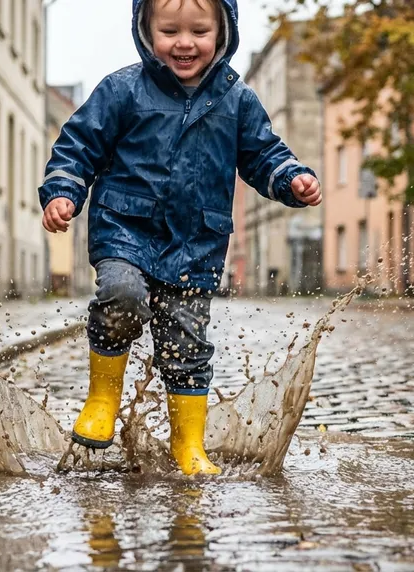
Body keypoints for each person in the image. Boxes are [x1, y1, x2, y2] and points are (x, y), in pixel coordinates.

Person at [38, 0, 322, 476]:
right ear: (146, 30)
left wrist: (290, 177)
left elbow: (263, 154)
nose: (184, 43)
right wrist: (64, 190)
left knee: (186, 342)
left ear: (223, 31)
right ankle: (102, 401)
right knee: (121, 295)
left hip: (196, 243)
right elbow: (77, 145)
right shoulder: (122, 89)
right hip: (125, 229)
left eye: (199, 30)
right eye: (169, 30)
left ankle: (188, 444)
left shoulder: (236, 98)